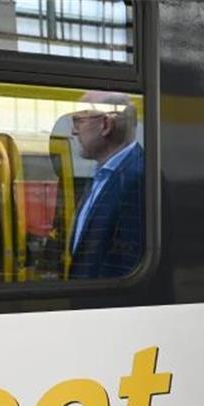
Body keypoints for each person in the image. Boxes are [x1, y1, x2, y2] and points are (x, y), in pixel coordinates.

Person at [66, 92, 145, 280]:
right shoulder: (104, 174)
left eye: (78, 121)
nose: (73, 131)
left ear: (105, 125)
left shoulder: (138, 177)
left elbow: (127, 267)